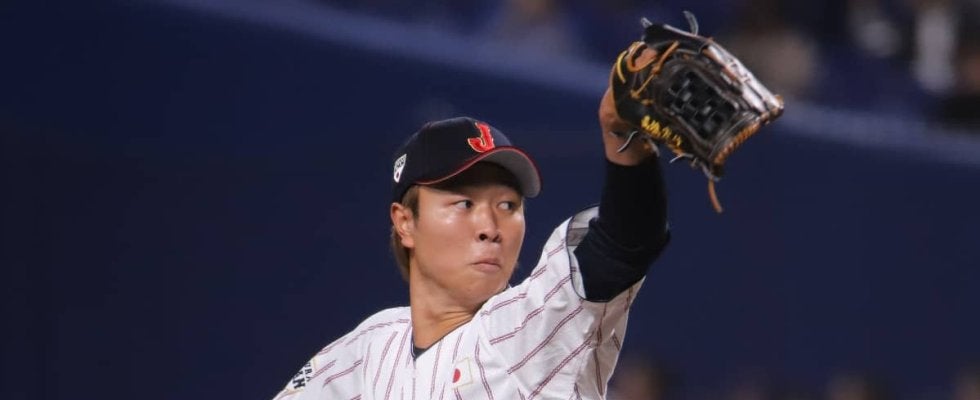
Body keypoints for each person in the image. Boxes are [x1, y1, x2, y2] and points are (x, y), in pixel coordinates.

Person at [271, 74, 670, 398]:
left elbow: (622, 241)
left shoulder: (524, 329)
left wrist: (623, 140)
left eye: (508, 205)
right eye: (464, 204)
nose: (490, 228)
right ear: (405, 222)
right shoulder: (369, 349)